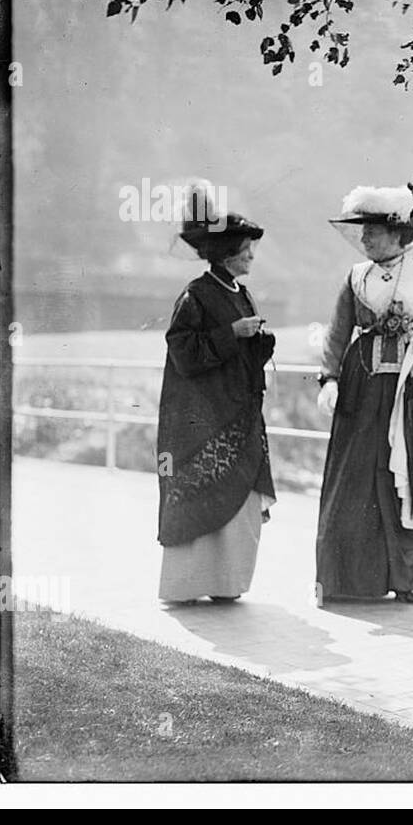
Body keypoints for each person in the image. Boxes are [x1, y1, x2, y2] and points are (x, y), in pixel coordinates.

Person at [315, 174, 413, 604]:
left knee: (402, 477)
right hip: (361, 391)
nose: (366, 240)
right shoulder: (355, 278)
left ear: (399, 234)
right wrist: (330, 379)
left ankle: (403, 580)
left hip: (411, 392)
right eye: (363, 232)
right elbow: (337, 334)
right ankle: (343, 580)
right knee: (354, 477)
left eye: (374, 232)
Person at [157, 185, 275, 604]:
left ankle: (227, 584)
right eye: (246, 250)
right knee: (201, 494)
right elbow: (183, 351)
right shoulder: (196, 295)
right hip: (201, 419)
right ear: (226, 253)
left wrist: (260, 340)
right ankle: (188, 586)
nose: (251, 257)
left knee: (238, 500)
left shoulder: (241, 295)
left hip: (238, 414)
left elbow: (244, 356)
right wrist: (231, 334)